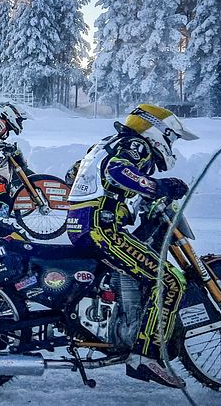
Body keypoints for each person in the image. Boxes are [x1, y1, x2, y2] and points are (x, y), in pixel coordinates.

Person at [65, 104, 196, 389]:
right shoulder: (136, 144)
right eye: (171, 138)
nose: (171, 146)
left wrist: (125, 203)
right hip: (101, 228)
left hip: (83, 225)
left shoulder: (104, 144)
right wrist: (159, 187)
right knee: (171, 281)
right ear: (157, 131)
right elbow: (119, 171)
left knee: (133, 272)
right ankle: (145, 356)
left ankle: (121, 330)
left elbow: (71, 175)